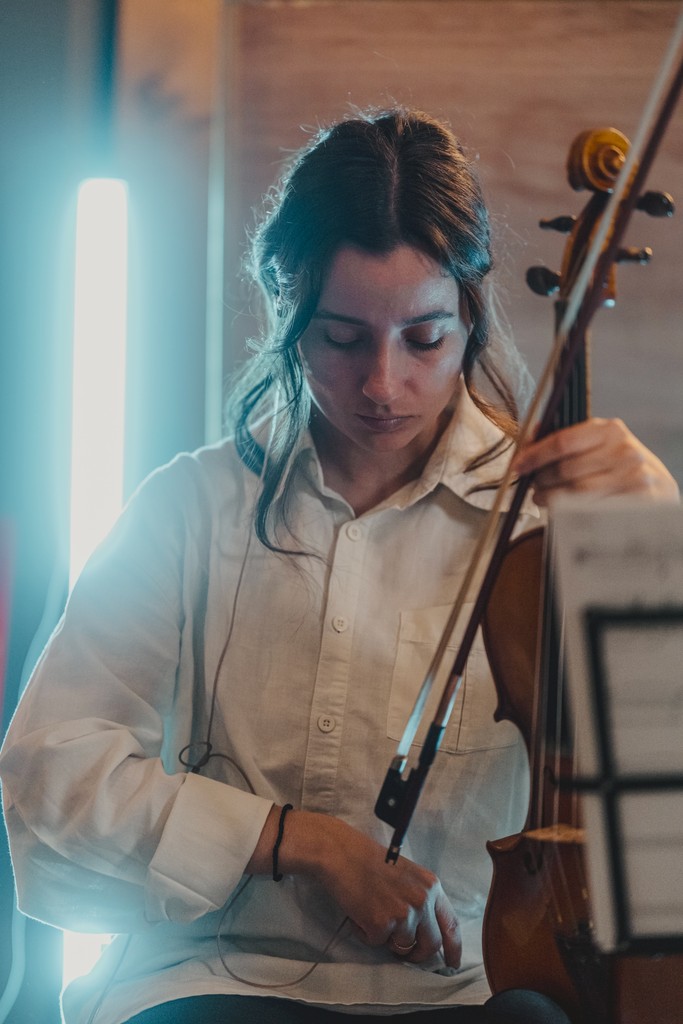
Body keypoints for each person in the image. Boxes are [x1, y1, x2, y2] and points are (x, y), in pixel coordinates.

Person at [0, 109, 678, 1024]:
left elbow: (659, 792)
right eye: (342, 338)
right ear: (285, 305)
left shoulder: (553, 524)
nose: (383, 385)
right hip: (216, 972)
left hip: (480, 982)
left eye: (425, 339)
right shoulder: (186, 508)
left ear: (471, 317)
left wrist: (651, 548)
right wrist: (294, 841)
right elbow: (52, 773)